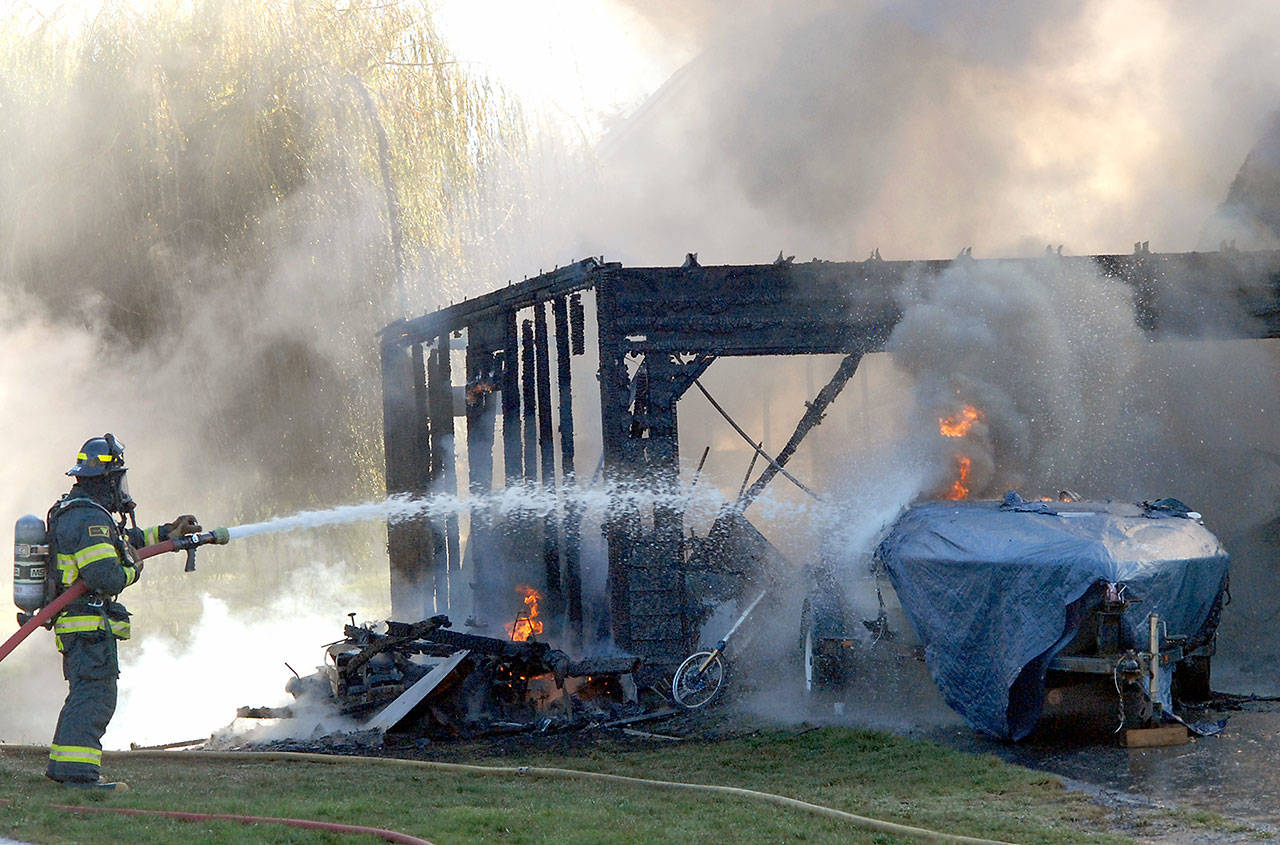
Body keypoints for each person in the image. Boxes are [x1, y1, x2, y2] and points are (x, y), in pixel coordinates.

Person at [44, 433, 199, 790]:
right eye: (118, 479)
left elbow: (119, 544)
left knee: (87, 693)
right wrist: (134, 569)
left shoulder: (82, 513)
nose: (121, 487)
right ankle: (79, 777)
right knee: (95, 696)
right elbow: (107, 575)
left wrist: (167, 533)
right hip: (88, 626)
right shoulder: (88, 519)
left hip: (82, 625)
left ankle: (63, 767)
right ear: (106, 480)